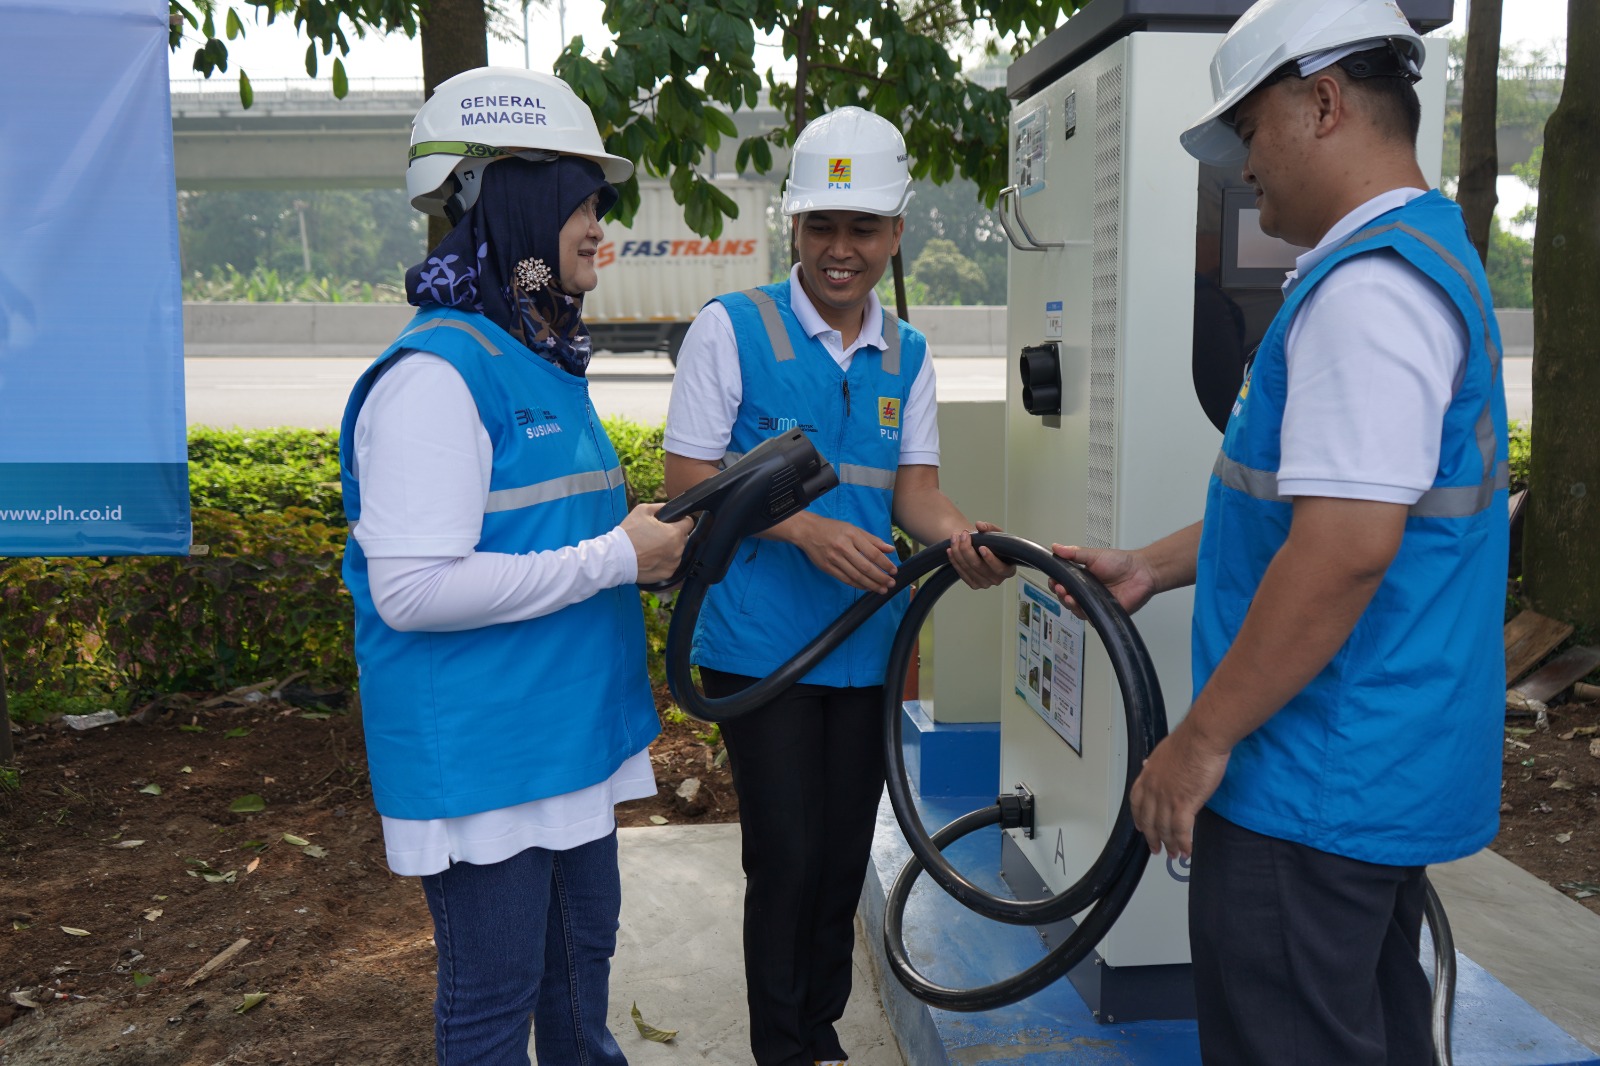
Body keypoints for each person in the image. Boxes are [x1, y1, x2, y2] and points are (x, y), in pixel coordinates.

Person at [1055, 1, 1510, 1061]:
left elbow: (1345, 550)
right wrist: (1148, 567)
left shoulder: (1369, 295)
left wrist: (1195, 743)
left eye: (1249, 132)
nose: (1242, 169)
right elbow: (1304, 512)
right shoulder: (1418, 261)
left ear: (1323, 103)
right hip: (1365, 772)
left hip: (1313, 783)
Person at [338, 67, 689, 1066]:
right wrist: (612, 556)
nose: (597, 228)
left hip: (560, 738)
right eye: (583, 202)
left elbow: (552, 538)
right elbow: (412, 592)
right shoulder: (436, 378)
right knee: (493, 1009)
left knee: (580, 976)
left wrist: (647, 550)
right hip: (486, 761)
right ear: (515, 199)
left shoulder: (534, 352)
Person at [663, 106, 1012, 1066]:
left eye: (863, 229)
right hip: (756, 647)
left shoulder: (908, 354)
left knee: (838, 858)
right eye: (823, 227)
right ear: (796, 229)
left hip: (864, 648)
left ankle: (817, 1031)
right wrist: (803, 527)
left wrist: (966, 540)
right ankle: (787, 1047)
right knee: (784, 857)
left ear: (897, 232)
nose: (842, 250)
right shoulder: (732, 330)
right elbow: (685, 486)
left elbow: (917, 496)